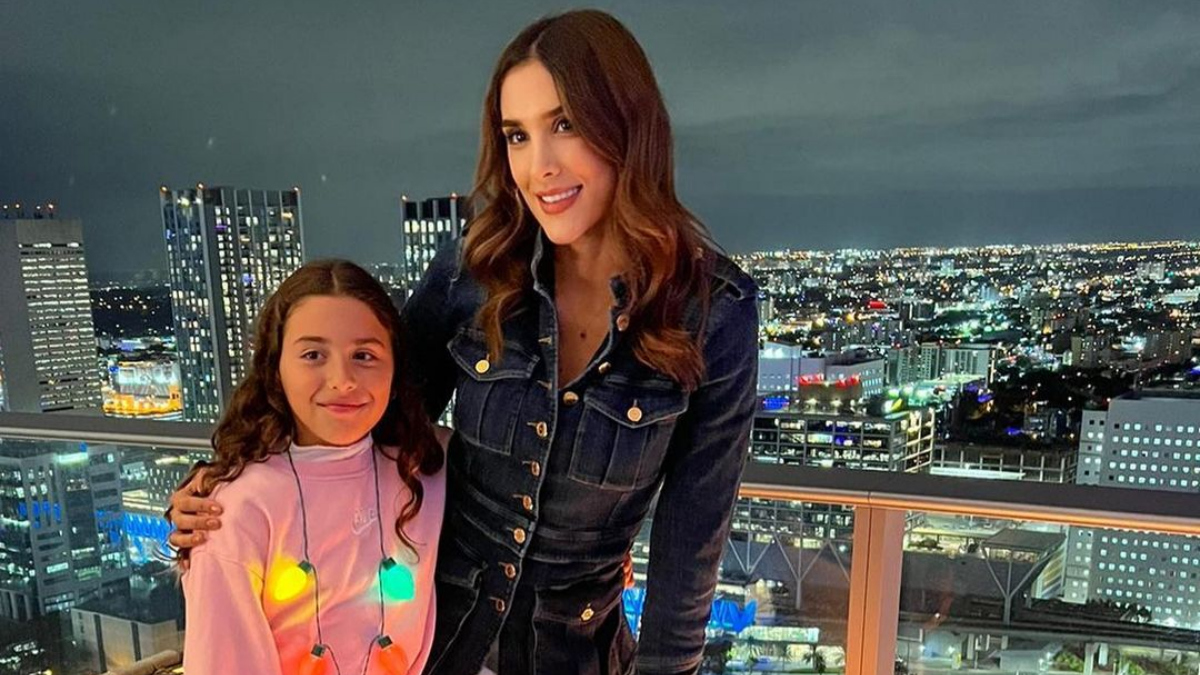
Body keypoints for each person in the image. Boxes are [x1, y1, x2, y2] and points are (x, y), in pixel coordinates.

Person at [169, 10, 758, 675]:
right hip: (430, 639)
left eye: (565, 124)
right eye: (517, 136)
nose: (540, 166)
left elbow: (692, 538)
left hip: (577, 653)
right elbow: (366, 409)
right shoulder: (477, 266)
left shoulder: (715, 311)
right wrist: (222, 484)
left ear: (628, 123)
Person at [179, 260, 447, 675]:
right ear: (275, 369)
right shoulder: (237, 510)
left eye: (364, 355)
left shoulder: (425, 465)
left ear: (396, 371)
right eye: (313, 355)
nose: (342, 379)